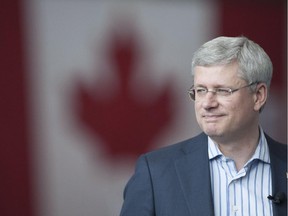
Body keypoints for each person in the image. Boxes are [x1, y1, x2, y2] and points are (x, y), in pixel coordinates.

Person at [119, 36, 287, 216]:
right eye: (201, 90)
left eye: (222, 90)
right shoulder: (155, 173)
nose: (207, 103)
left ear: (258, 96)